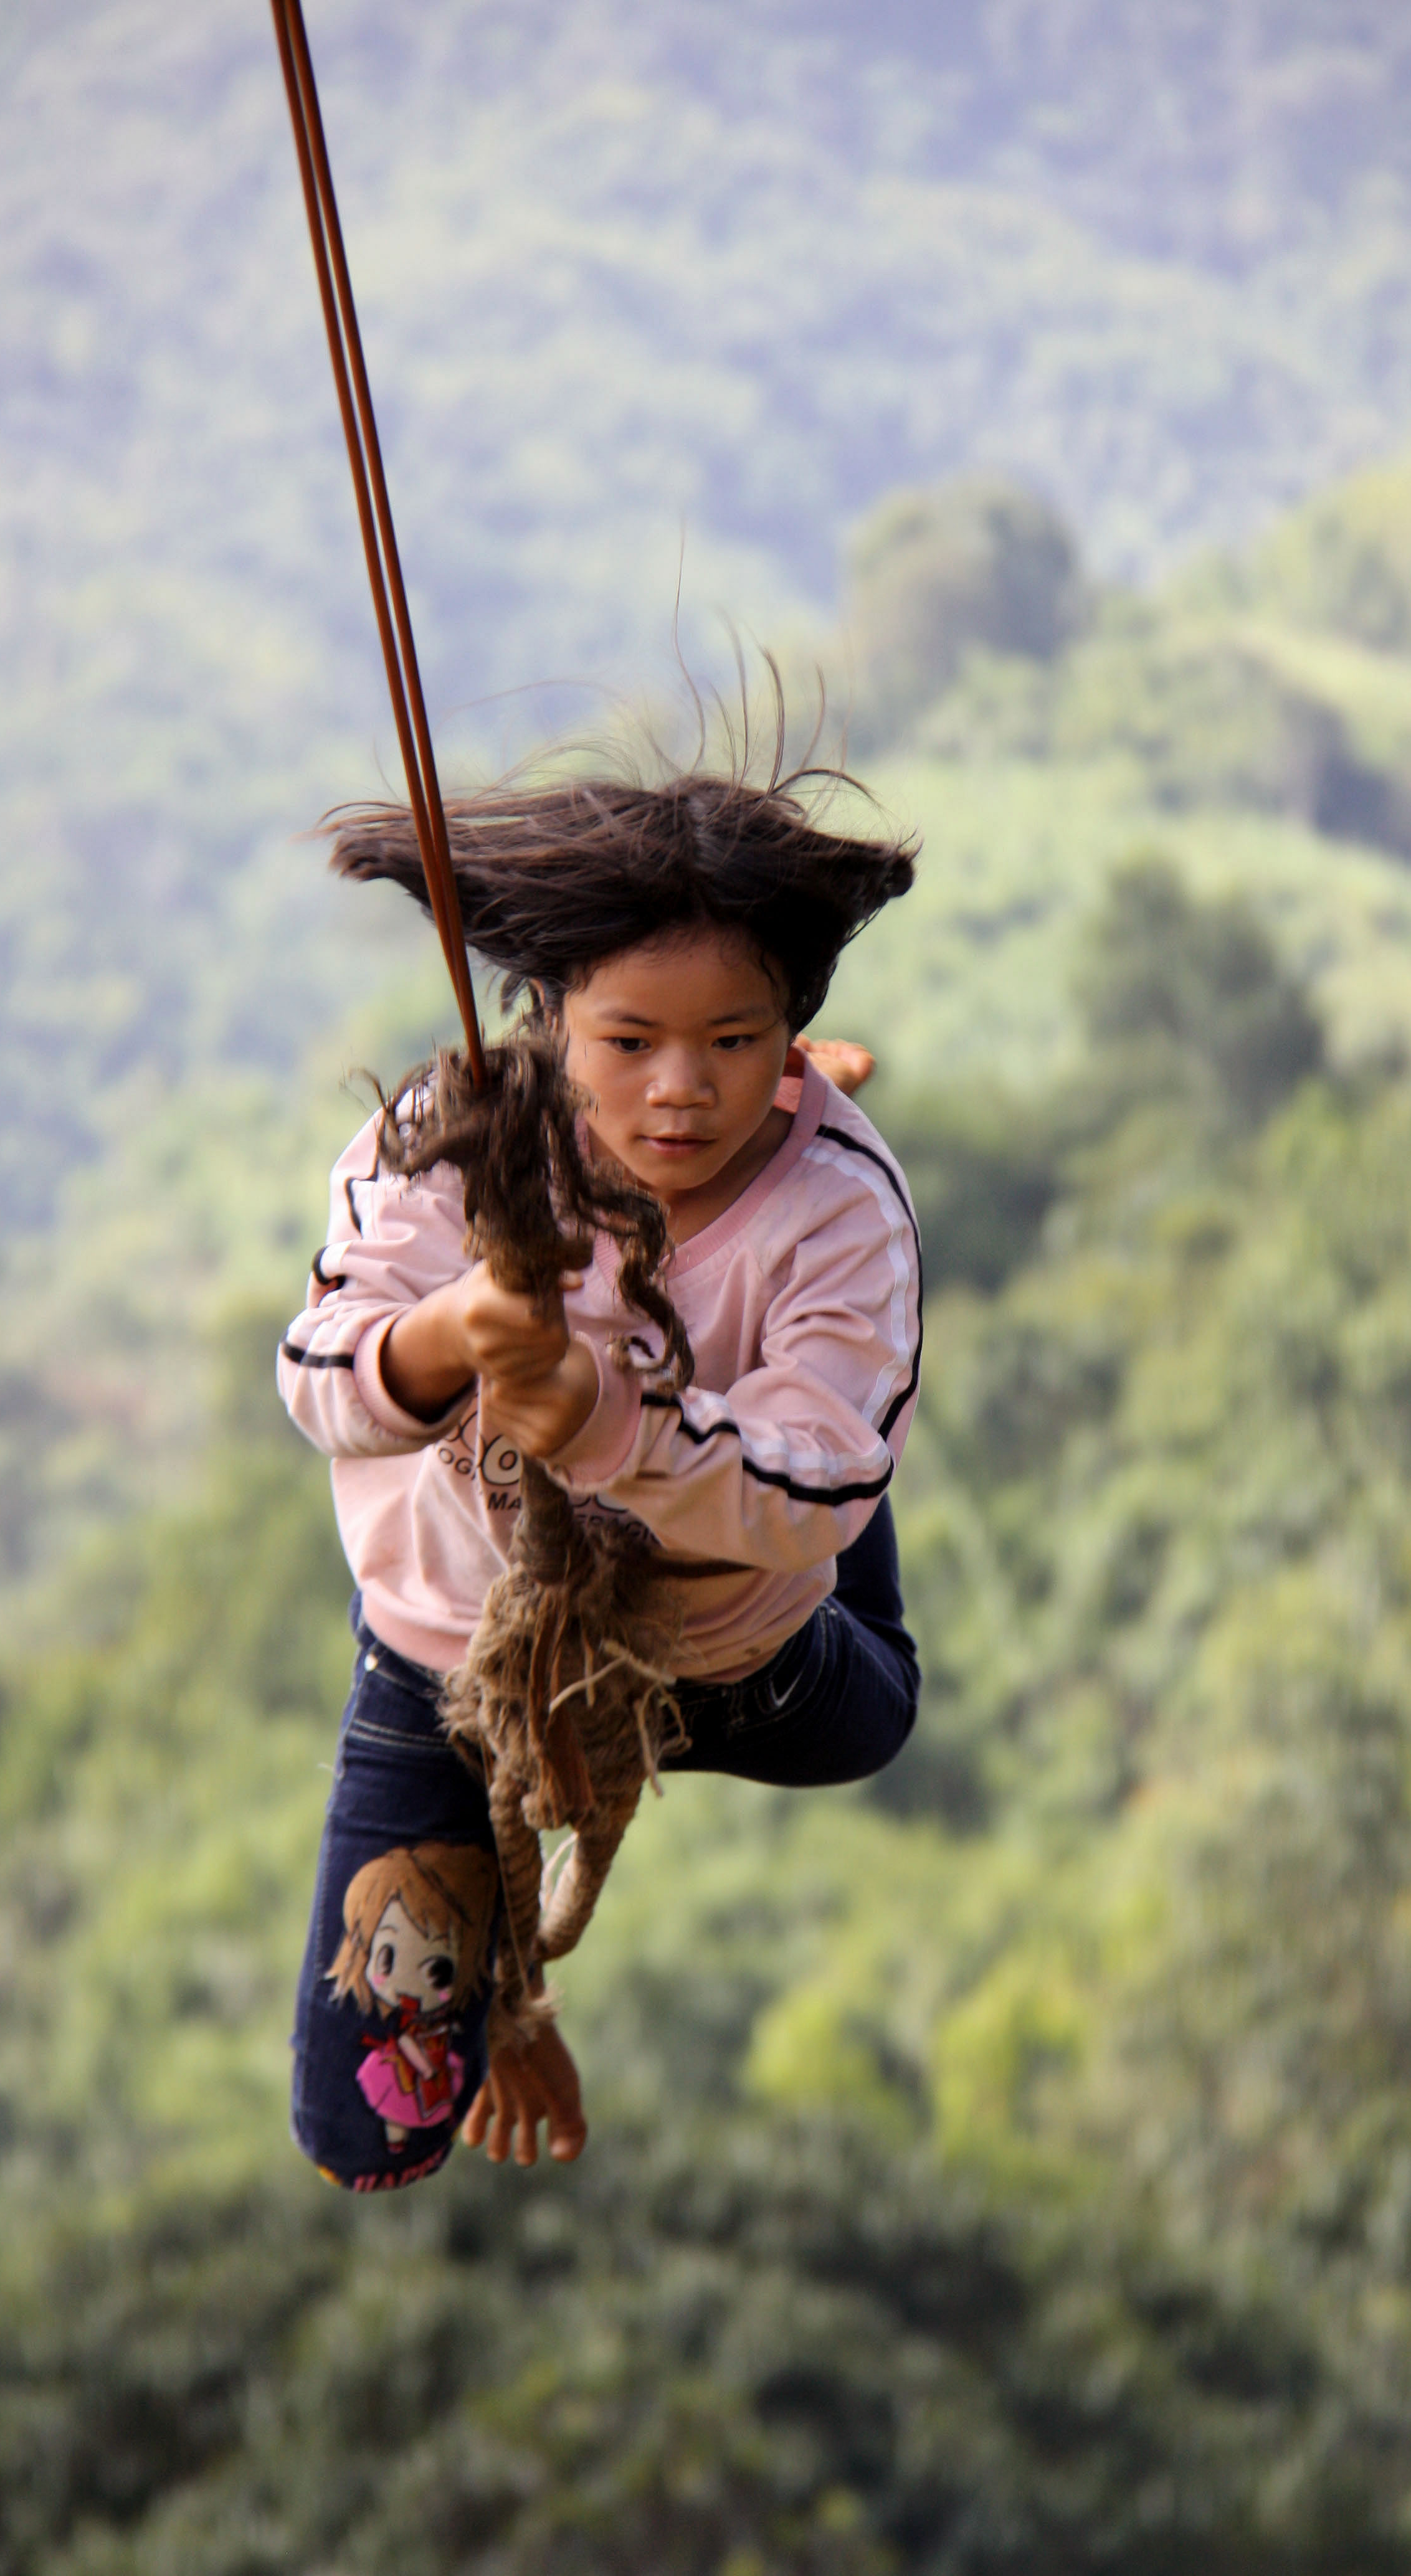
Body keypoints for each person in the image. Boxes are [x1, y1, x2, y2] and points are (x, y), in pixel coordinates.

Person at [278, 750, 923, 2189]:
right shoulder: (443, 1148)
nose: (681, 1095)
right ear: (550, 1019)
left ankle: (833, 1408)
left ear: (787, 1031)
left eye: (735, 1045)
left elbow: (811, 1474)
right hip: (455, 1657)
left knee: (871, 1702)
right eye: (629, 1044)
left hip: (720, 1651)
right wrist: (444, 1337)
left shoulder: (840, 1203)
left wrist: (605, 1424)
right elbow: (319, 1373)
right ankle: (805, 1424)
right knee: (369, 2138)